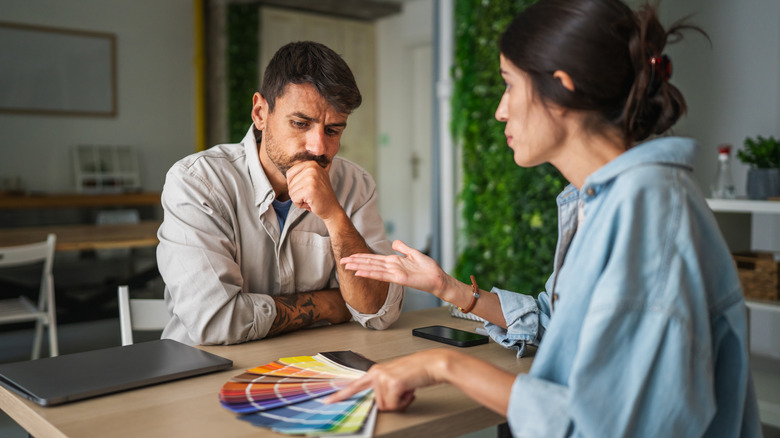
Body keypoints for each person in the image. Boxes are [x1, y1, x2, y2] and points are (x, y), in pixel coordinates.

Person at [325, 1, 762, 436]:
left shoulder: (648, 217)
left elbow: (605, 425)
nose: (500, 110)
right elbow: (554, 324)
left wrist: (446, 364)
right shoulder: (605, 200)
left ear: (562, 89)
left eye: (509, 85)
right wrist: (449, 289)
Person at [156, 41, 403, 346]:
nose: (318, 147)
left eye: (333, 130)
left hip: (317, 368)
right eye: (300, 124)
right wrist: (333, 303)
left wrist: (335, 217)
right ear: (260, 112)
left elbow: (380, 311)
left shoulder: (355, 184)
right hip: (207, 370)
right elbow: (216, 321)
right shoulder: (198, 182)